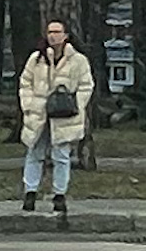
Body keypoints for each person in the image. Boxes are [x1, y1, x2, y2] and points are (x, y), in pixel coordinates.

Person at [18, 19, 95, 214]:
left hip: (64, 115)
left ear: (66, 35)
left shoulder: (78, 60)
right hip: (39, 114)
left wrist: (76, 105)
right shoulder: (37, 59)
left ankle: (59, 194)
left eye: (57, 32)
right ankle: (30, 192)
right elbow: (25, 82)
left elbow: (86, 85)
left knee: (61, 156)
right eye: (50, 31)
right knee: (34, 152)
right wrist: (28, 105)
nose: (53, 35)